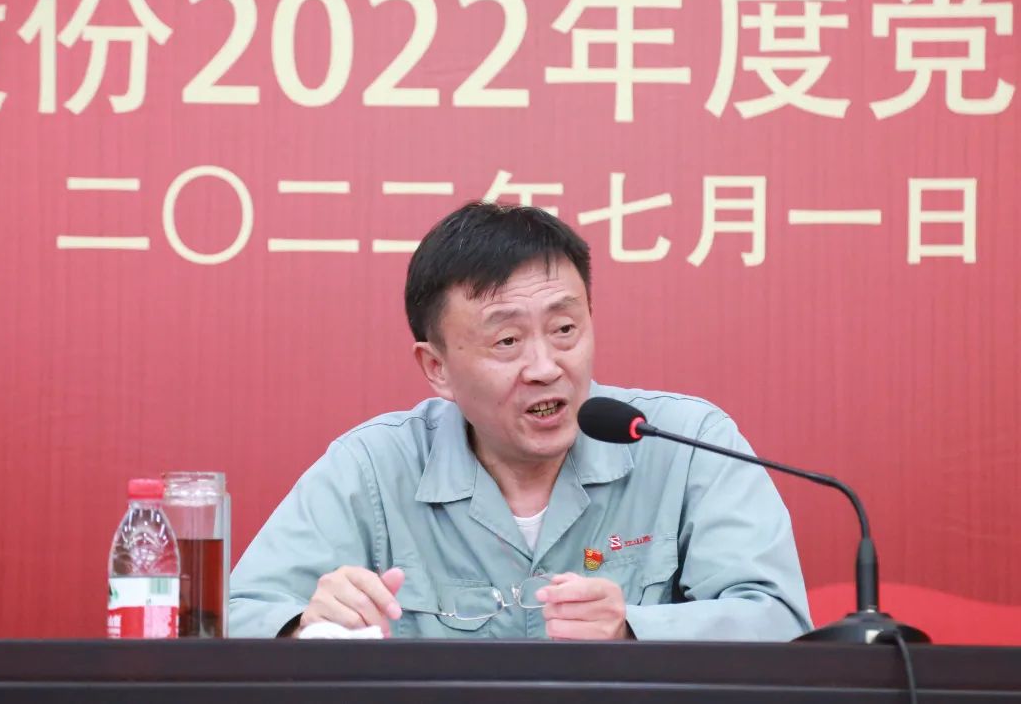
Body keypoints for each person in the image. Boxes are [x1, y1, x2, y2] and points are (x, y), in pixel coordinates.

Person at [229, 202, 811, 640]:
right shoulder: (374, 468)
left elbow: (779, 621)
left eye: (565, 330)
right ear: (437, 368)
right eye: (507, 340)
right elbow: (236, 615)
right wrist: (305, 626)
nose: (545, 367)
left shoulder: (687, 445)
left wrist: (634, 629)